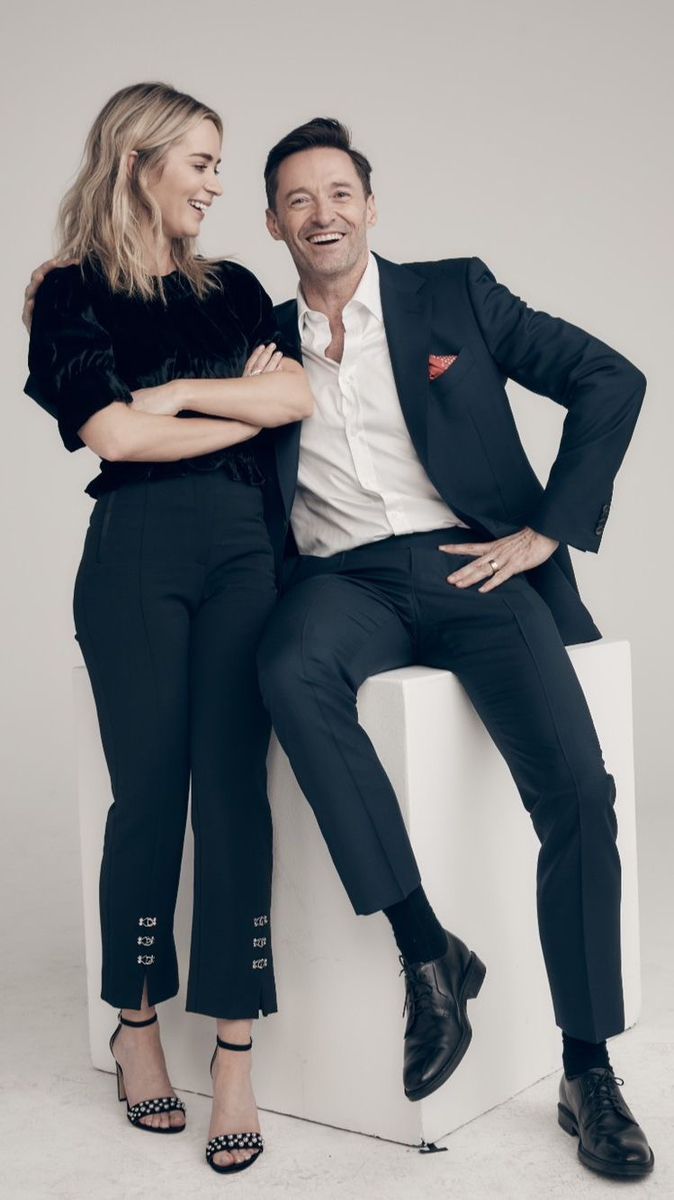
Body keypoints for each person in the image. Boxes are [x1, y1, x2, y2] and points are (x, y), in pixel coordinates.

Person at [250, 117, 654, 1180]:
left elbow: (610, 380)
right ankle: (427, 954)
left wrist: (545, 531)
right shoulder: (255, 336)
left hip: (477, 567)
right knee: (287, 668)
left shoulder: (452, 295)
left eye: (338, 193)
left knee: (576, 791)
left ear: (370, 207)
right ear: (273, 224)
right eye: (298, 199)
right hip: (342, 579)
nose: (321, 214)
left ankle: (586, 1069)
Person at [21, 82, 312, 1176]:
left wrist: (175, 389)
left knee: (234, 791)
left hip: (246, 548)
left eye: (218, 163)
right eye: (199, 161)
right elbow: (112, 438)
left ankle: (234, 1052)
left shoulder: (235, 288)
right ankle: (135, 1025)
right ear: (138, 162)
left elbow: (289, 405)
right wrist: (197, 404)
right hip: (136, 553)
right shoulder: (70, 293)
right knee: (151, 795)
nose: (216, 183)